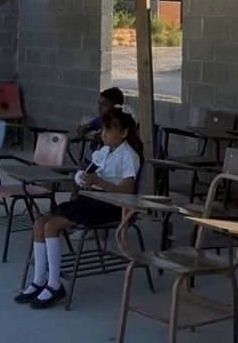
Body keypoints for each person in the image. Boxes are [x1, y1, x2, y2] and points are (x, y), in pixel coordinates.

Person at [16, 107, 143, 309]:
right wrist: (82, 177)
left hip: (112, 206)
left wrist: (99, 182)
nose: (104, 134)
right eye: (103, 130)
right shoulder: (103, 152)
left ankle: (55, 284)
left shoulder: (129, 155)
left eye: (109, 131)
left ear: (124, 133)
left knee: (52, 227)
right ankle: (39, 280)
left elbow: (127, 191)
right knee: (40, 223)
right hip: (92, 199)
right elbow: (88, 171)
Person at [75, 87, 125, 154]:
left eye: (104, 105)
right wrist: (84, 129)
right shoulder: (102, 119)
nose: (99, 108)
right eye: (99, 104)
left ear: (116, 107)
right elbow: (86, 127)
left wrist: (101, 136)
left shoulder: (122, 123)